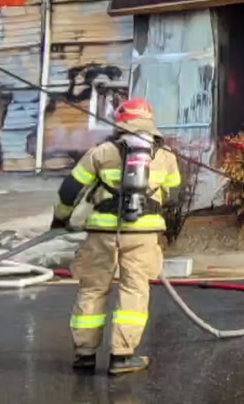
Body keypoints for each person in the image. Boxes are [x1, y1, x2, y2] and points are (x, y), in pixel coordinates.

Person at [49, 97, 183, 375]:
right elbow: (175, 196)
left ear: (120, 122)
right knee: (134, 289)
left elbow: (69, 191)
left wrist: (60, 219)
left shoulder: (101, 153)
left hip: (101, 233)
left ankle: (84, 354)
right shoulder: (166, 156)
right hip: (143, 234)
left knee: (93, 288)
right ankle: (122, 357)